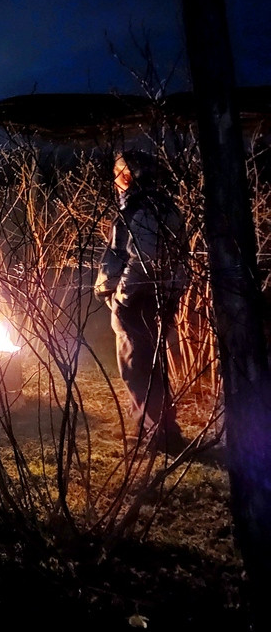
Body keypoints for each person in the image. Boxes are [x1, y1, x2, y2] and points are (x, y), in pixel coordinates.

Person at [94, 149, 190, 454]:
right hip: (157, 295)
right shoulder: (164, 207)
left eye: (118, 175)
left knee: (137, 366)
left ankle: (157, 435)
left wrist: (122, 294)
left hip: (139, 298)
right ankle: (162, 430)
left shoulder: (143, 209)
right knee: (150, 364)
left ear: (127, 175)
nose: (116, 182)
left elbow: (143, 256)